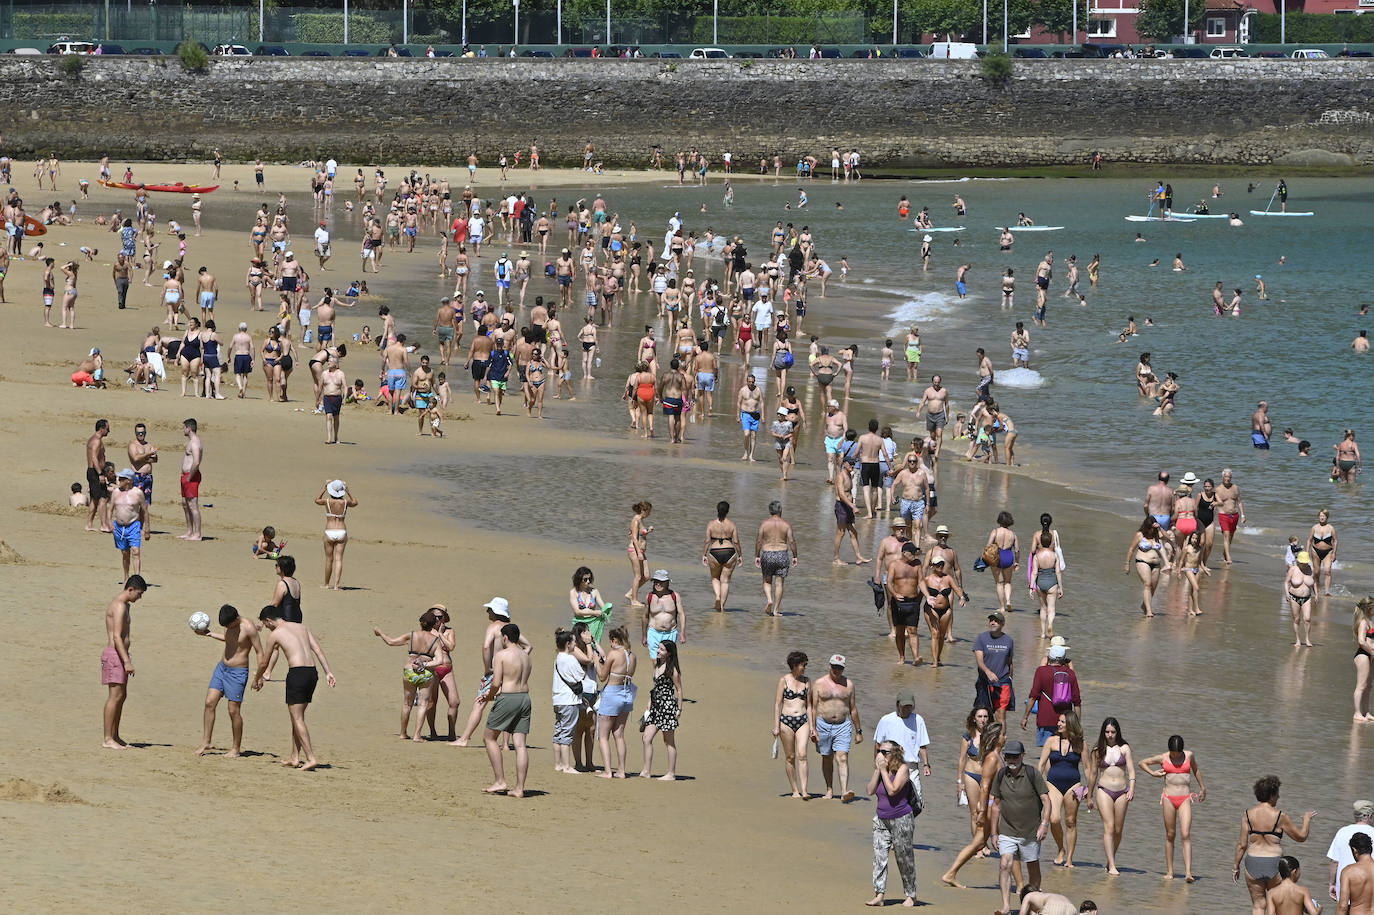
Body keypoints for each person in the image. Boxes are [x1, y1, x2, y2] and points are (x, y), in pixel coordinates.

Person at [252, 605, 337, 770]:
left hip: (297, 674)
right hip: (312, 673)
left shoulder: (275, 634)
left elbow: (263, 662)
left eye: (265, 624)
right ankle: (295, 757)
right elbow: (317, 650)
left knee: (297, 718)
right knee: (296, 717)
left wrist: (257, 679)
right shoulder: (302, 627)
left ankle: (310, 758)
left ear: (269, 620)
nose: (267, 628)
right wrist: (328, 672)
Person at [453, 597, 532, 747]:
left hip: (495, 670)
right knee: (507, 704)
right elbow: (528, 646)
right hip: (509, 672)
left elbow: (486, 646)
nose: (487, 611)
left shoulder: (494, 627)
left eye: (489, 609)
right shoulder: (510, 628)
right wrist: (516, 659)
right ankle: (505, 744)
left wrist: (487, 667)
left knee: (479, 704)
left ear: (496, 612)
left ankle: (464, 738)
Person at [1235, 775, 1316, 913]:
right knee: (1278, 906)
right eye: (1277, 794)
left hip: (1252, 863)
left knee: (1258, 906)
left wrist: (1235, 866)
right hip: (1274, 864)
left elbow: (1241, 845)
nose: (1278, 797)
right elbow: (1301, 837)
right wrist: (1307, 820)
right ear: (1272, 795)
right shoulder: (1280, 816)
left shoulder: (1247, 815)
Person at [990, 738, 1051, 915]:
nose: (1012, 760)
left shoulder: (1032, 774)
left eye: (1015, 756)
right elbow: (996, 806)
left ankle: (1033, 905)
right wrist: (994, 833)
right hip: (1007, 830)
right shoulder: (1001, 775)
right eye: (1008, 756)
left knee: (1033, 867)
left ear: (1022, 756)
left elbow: (1046, 801)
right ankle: (1006, 907)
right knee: (1005, 863)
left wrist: (1044, 824)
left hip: (1031, 831)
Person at [942, 721, 1007, 888]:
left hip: (993, 806)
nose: (1005, 737)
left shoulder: (999, 755)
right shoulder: (992, 758)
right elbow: (985, 786)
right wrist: (982, 810)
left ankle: (951, 873)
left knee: (980, 843)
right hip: (990, 807)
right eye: (1002, 735)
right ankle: (1020, 884)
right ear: (996, 738)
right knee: (1003, 843)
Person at [193, 604, 262, 757]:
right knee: (209, 702)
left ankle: (236, 749)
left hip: (238, 673)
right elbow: (228, 639)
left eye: (229, 625)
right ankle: (206, 742)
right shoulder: (228, 624)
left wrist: (259, 676)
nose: (227, 628)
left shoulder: (249, 628)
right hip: (222, 668)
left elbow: (259, 652)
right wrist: (210, 634)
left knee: (233, 710)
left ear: (236, 619)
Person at [1139, 735, 1207, 882]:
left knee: (1185, 834)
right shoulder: (1163, 757)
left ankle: (1188, 873)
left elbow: (1196, 770)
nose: (1175, 755)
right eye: (1173, 753)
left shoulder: (1189, 755)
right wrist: (1153, 773)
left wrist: (1203, 788)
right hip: (1169, 798)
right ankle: (1170, 872)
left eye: (1178, 753)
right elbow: (1142, 762)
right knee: (1170, 835)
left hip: (1184, 798)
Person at [373, 609, 446, 741]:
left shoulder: (412, 635)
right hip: (426, 673)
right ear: (433, 625)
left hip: (409, 671)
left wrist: (380, 633)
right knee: (423, 704)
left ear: (421, 623)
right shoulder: (435, 641)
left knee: (407, 703)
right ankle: (417, 735)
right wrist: (425, 664)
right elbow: (440, 660)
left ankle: (403, 733)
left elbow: (391, 642)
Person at [865, 740, 919, 907]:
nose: (881, 755)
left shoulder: (903, 769)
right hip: (881, 819)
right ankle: (879, 894)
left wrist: (883, 770)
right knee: (879, 857)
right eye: (879, 751)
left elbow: (893, 790)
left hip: (901, 819)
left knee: (904, 858)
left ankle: (911, 895)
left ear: (894, 753)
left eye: (885, 752)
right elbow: (870, 790)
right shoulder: (881, 770)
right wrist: (878, 770)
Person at [482, 623, 533, 796]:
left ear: (505, 637)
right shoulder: (526, 656)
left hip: (508, 697)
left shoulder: (502, 655)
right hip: (524, 698)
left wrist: (489, 696)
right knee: (520, 744)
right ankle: (519, 788)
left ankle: (500, 781)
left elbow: (496, 682)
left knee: (489, 738)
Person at [1086, 716, 1136, 875]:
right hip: (1104, 790)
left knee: (1118, 830)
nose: (1110, 735)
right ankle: (1113, 866)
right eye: (1107, 732)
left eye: (1113, 732)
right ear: (1103, 732)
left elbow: (1131, 771)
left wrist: (1132, 788)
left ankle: (1110, 860)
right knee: (1109, 826)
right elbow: (1093, 774)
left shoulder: (1125, 748)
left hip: (1122, 791)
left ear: (1117, 732)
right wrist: (1089, 795)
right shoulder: (1097, 750)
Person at [101, 575, 147, 749]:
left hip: (120, 655)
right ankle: (107, 738)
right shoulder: (119, 606)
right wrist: (126, 661)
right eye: (139, 594)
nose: (139, 597)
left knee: (121, 696)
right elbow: (116, 636)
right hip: (115, 655)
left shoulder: (126, 605)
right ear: (130, 589)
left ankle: (115, 736)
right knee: (114, 696)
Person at [810, 654, 862, 802]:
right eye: (834, 667)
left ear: (843, 668)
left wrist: (858, 731)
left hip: (843, 725)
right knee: (827, 758)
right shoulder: (819, 683)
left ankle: (844, 791)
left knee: (842, 757)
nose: (836, 670)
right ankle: (829, 790)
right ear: (829, 666)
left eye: (839, 668)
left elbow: (853, 708)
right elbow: (813, 708)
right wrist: (812, 729)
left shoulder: (849, 685)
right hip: (823, 724)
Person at [1037, 711, 1085, 867]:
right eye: (1059, 721)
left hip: (1074, 785)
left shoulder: (1080, 744)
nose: (1058, 724)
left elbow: (1089, 769)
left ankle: (1069, 859)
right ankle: (1061, 849)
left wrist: (1089, 791)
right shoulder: (1051, 741)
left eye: (1062, 722)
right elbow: (1041, 765)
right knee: (1054, 819)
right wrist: (1036, 785)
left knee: (1070, 821)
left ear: (1070, 724)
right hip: (1053, 784)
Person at [596, 626, 637, 779]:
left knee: (603, 735)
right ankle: (621, 770)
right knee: (619, 735)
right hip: (627, 694)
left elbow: (602, 676)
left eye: (611, 641)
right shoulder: (632, 656)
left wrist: (596, 662)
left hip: (612, 694)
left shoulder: (613, 654)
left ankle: (608, 771)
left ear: (615, 639)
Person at [639, 640, 683, 780]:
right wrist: (649, 702)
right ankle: (646, 771)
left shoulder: (672, 670)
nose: (658, 651)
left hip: (667, 707)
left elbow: (679, 690)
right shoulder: (657, 665)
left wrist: (679, 709)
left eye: (662, 649)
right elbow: (656, 686)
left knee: (668, 741)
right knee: (646, 738)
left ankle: (671, 773)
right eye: (658, 648)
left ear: (669, 653)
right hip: (655, 707)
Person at [1021, 645, 1081, 748]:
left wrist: (1025, 717)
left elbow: (1033, 696)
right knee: (1062, 751)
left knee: (1047, 751)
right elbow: (1077, 701)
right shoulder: (1071, 674)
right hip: (1065, 721)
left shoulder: (1041, 671)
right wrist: (1077, 723)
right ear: (1064, 659)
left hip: (1046, 719)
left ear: (1049, 658)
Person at [873, 689, 933, 790]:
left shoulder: (918, 720)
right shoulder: (886, 720)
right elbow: (877, 745)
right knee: (890, 794)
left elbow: (922, 745)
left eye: (910, 706)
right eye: (904, 706)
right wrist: (877, 766)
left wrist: (926, 764)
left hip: (911, 768)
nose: (907, 709)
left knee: (916, 797)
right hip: (890, 767)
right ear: (898, 704)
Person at [773, 651, 812, 798]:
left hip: (803, 721)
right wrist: (776, 726)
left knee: (803, 754)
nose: (805, 667)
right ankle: (795, 790)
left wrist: (812, 727)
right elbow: (778, 704)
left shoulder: (807, 681)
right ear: (795, 665)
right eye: (803, 665)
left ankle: (804, 790)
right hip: (786, 722)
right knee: (790, 756)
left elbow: (809, 706)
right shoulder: (784, 680)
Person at [552, 628, 587, 775]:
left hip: (558, 699)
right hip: (569, 700)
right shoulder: (570, 659)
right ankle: (566, 766)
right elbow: (581, 675)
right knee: (567, 733)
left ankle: (558, 764)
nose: (575, 644)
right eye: (573, 642)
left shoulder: (558, 658)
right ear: (568, 644)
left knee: (559, 731)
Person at [756, 500, 798, 617]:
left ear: (770, 511)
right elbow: (791, 541)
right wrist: (795, 556)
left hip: (767, 554)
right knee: (779, 584)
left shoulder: (764, 524)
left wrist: (757, 555)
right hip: (782, 554)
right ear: (781, 510)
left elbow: (759, 541)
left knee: (767, 580)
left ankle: (769, 599)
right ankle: (775, 610)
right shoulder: (786, 524)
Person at [975, 611, 1015, 727]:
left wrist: (1011, 680)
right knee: (983, 715)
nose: (992, 623)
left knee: (1000, 714)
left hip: (1003, 682)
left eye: (996, 621)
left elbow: (1010, 662)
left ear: (1002, 624)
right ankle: (984, 737)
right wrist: (988, 672)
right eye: (991, 620)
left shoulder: (1009, 640)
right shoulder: (981, 638)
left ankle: (1001, 738)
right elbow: (979, 661)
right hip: (985, 682)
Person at [1329, 800, 1374, 901]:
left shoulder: (1342, 832)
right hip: (1369, 894)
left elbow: (1335, 862)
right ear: (1370, 816)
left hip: (1345, 890)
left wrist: (1332, 883)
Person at [316, 479, 355, 590]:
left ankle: (327, 584)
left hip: (330, 531)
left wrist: (324, 488)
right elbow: (355, 502)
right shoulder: (345, 502)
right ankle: (336, 585)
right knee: (339, 559)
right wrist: (348, 491)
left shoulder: (327, 501)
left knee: (329, 559)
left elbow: (317, 500)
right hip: (341, 531)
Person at [702, 501, 741, 613]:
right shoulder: (732, 524)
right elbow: (736, 541)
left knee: (715, 578)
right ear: (728, 511)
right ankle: (722, 606)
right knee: (725, 581)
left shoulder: (711, 524)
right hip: (729, 552)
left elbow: (707, 541)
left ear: (717, 510)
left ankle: (718, 596)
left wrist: (704, 554)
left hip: (715, 552)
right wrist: (740, 555)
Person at [109, 469, 149, 580]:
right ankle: (126, 577)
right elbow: (110, 509)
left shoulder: (138, 493)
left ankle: (136, 578)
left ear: (128, 480)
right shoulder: (116, 492)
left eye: (122, 479)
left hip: (133, 526)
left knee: (136, 552)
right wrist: (109, 523)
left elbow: (145, 511)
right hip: (119, 527)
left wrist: (147, 529)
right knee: (125, 553)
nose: (119, 480)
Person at [1125, 517, 1167, 617]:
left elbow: (1167, 537)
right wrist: (1127, 564)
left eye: (1153, 528)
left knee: (1153, 588)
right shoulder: (1140, 535)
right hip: (1142, 561)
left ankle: (1144, 605)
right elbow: (1131, 549)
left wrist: (1160, 528)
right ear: (1146, 527)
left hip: (1156, 564)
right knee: (1147, 584)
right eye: (1150, 528)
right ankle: (1149, 611)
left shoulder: (1157, 534)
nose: (1151, 530)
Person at [642, 569, 685, 657]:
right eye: (656, 581)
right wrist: (644, 635)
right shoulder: (650, 596)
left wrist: (682, 633)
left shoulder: (674, 596)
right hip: (653, 632)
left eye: (661, 581)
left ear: (667, 583)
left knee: (669, 660)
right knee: (655, 660)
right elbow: (645, 616)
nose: (658, 584)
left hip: (670, 633)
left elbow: (682, 614)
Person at [987, 511, 1019, 616]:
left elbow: (988, 546)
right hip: (1008, 556)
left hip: (997, 556)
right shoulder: (1013, 534)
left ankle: (1002, 606)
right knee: (1008, 582)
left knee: (999, 583)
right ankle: (1008, 601)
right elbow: (1017, 550)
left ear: (999, 520)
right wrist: (1017, 562)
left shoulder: (995, 532)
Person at [178, 417, 203, 541]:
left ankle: (197, 534)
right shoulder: (191, 442)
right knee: (185, 504)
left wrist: (189, 477)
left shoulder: (195, 442)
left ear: (189, 428)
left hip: (191, 476)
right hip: (186, 476)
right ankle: (189, 531)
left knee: (193, 505)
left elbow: (196, 462)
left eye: (184, 427)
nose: (183, 430)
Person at [625, 500, 653, 608]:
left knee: (646, 576)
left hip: (641, 551)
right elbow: (634, 538)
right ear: (643, 510)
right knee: (638, 576)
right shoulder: (636, 520)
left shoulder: (640, 520)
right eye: (648, 511)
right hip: (634, 551)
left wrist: (648, 530)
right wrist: (639, 553)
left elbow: (641, 533)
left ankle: (630, 594)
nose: (649, 514)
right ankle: (634, 600)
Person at [1307, 510, 1338, 596]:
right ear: (1318, 517)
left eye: (1323, 516)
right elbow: (1309, 540)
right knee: (1316, 572)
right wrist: (1307, 552)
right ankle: (1318, 589)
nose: (1322, 517)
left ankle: (1327, 591)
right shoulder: (1314, 528)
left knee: (1327, 571)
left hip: (1328, 552)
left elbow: (1335, 541)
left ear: (1327, 517)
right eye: (1320, 516)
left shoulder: (1331, 528)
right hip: (1315, 551)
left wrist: (1334, 553)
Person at [1354, 599, 1374, 723]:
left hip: (1371, 654)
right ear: (1368, 608)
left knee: (1368, 686)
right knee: (1361, 685)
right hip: (1363, 654)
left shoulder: (1371, 621)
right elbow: (1361, 641)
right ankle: (1357, 713)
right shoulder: (1363, 622)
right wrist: (1372, 652)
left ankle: (1366, 712)